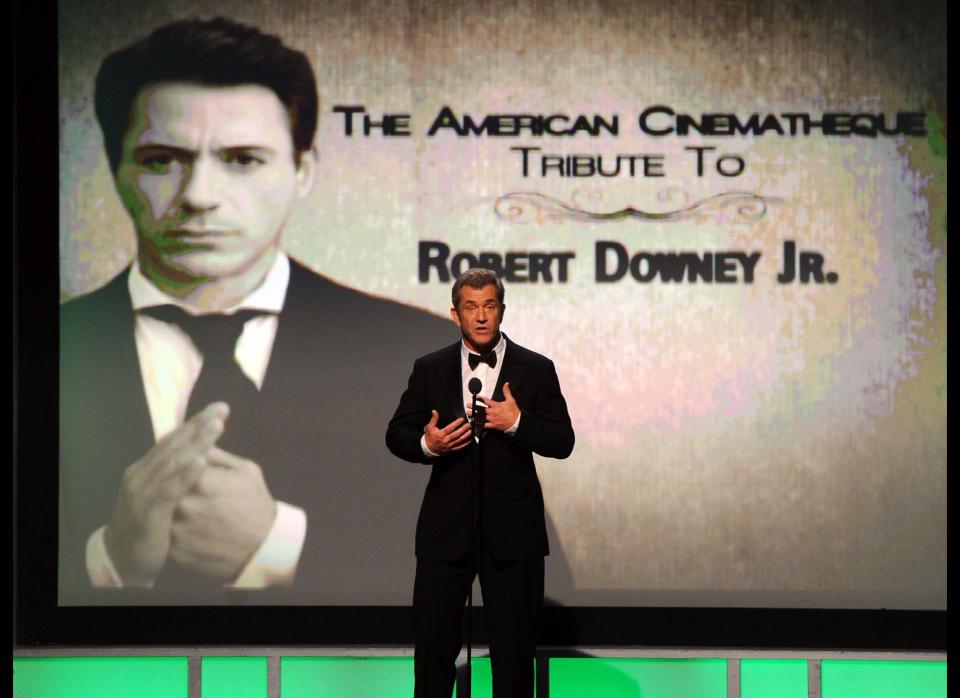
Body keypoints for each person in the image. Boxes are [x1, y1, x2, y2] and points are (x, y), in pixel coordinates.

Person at [59, 16, 452, 602]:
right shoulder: (40, 351)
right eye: (162, 160)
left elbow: (531, 599)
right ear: (116, 172)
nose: (198, 195)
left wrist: (281, 549)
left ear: (303, 172)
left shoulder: (424, 357)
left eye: (242, 159)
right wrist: (109, 561)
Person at [386, 268, 575, 697]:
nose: (482, 316)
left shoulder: (536, 369)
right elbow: (396, 433)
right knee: (433, 656)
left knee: (513, 658)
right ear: (456, 315)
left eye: (489, 306)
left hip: (513, 536)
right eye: (471, 307)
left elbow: (562, 441)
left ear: (502, 311)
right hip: (444, 533)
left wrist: (517, 422)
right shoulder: (430, 368)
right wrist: (427, 443)